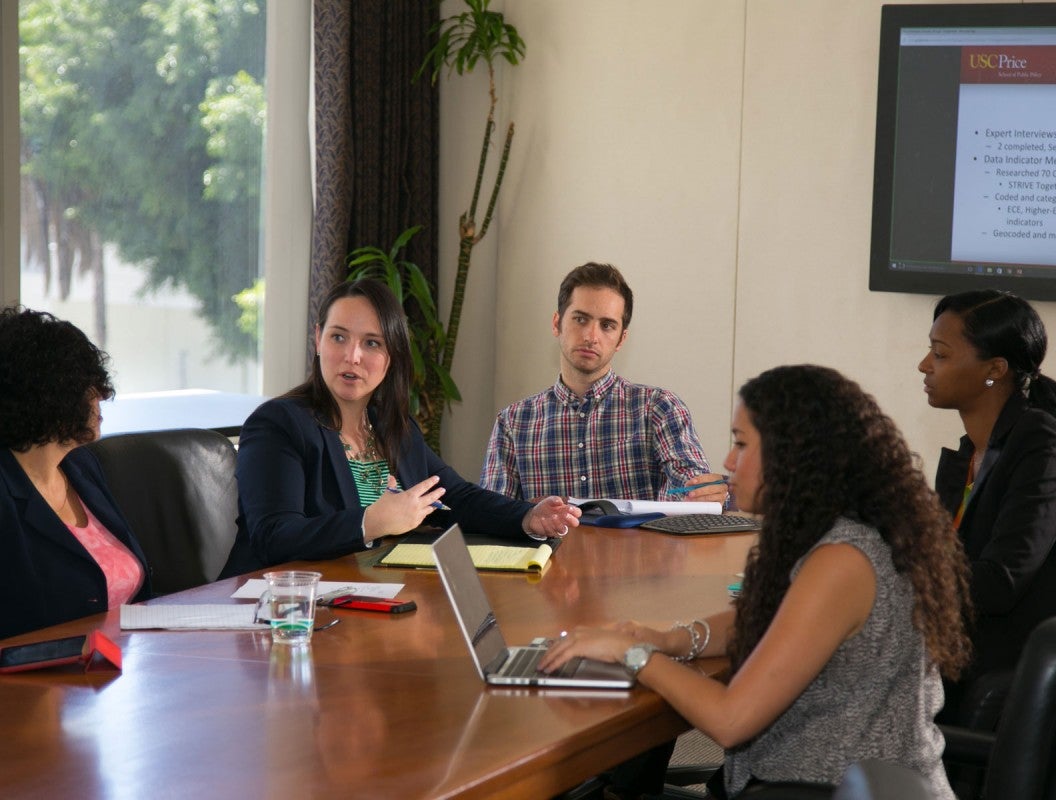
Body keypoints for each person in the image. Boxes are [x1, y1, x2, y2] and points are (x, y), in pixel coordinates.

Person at [540, 365, 972, 799]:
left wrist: (634, 655)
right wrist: (664, 639)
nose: (728, 461)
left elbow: (730, 721)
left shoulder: (845, 560)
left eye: (742, 444)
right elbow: (777, 620)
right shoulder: (828, 533)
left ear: (792, 456)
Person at [221, 279, 580, 576]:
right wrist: (370, 523)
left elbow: (455, 497)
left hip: (360, 597)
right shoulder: (279, 424)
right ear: (318, 339)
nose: (353, 356)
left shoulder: (394, 427)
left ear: (391, 357)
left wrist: (528, 517)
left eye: (372, 343)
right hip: (274, 614)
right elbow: (274, 537)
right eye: (338, 337)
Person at [919, 289, 1056, 719]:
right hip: (971, 643)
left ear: (994, 370)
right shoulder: (976, 449)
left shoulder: (1041, 447)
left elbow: (997, 583)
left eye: (940, 354)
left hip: (1017, 663)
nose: (925, 366)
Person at [480, 262, 726, 504]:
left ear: (621, 339)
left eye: (607, 325)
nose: (591, 336)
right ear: (557, 323)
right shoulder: (513, 422)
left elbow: (694, 489)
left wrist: (706, 493)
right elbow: (493, 517)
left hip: (641, 546)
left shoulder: (659, 408)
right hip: (554, 547)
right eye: (580, 319)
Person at [0, 307, 152, 639]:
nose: (104, 395)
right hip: (41, 682)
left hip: (123, 668)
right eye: (88, 387)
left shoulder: (82, 466)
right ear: (48, 396)